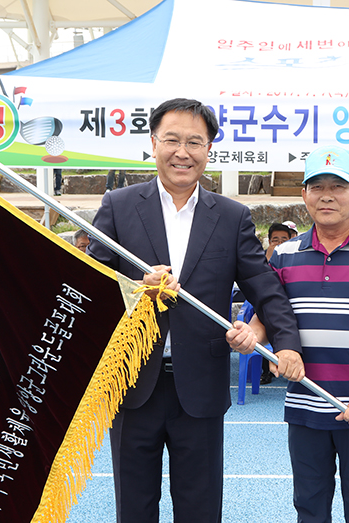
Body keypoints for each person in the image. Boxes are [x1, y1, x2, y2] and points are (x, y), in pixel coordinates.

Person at [88, 98, 303, 523]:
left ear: (209, 150)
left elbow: (265, 287)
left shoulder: (231, 216)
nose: (182, 152)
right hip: (132, 383)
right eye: (172, 140)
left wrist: (286, 343)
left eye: (194, 142)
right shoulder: (119, 205)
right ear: (154, 143)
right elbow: (88, 283)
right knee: (134, 508)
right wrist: (135, 289)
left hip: (200, 389)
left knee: (200, 509)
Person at [236, 144, 349, 523]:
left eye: (339, 186)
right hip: (305, 404)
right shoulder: (284, 255)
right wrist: (252, 334)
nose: (326, 195)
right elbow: (270, 316)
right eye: (316, 186)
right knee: (309, 506)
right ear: (304, 195)